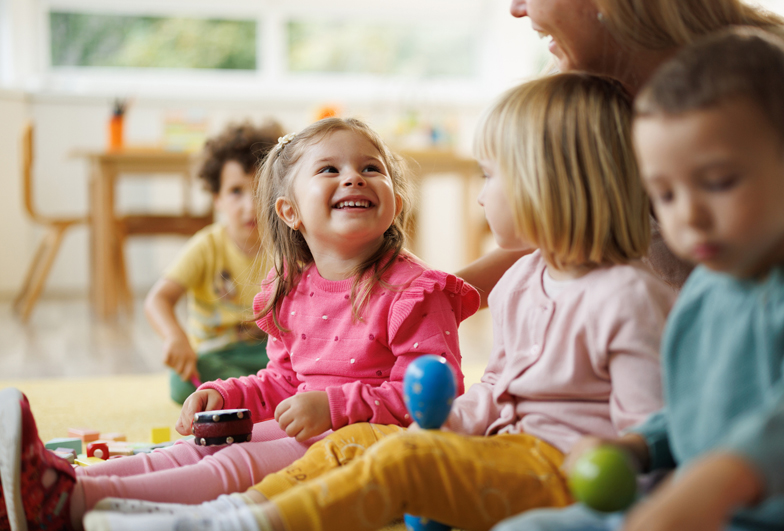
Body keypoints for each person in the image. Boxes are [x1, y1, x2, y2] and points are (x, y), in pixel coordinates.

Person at [82, 73, 675, 531]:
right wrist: (445, 429)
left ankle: (240, 520)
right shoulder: (522, 280)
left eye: (490, 176)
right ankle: (149, 501)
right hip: (502, 448)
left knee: (397, 459)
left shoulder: (629, 297)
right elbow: (494, 391)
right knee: (348, 445)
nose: (480, 196)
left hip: (562, 473)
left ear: (554, 186)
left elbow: (648, 434)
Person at [0, 117, 479, 531]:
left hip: (366, 445)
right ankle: (63, 484)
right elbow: (281, 382)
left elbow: (434, 400)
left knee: (235, 462)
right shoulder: (292, 287)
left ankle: (71, 509)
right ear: (290, 212)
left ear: (395, 201)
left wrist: (333, 407)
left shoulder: (417, 291)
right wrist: (228, 395)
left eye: (370, 167)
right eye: (330, 169)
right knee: (205, 446)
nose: (354, 177)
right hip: (310, 428)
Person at [495, 28, 784, 531]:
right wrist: (639, 445)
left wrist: (720, 478)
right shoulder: (706, 285)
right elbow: (701, 414)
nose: (690, 216)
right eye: (666, 195)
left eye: (718, 182)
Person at [458, 0, 784, 300]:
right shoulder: (578, 88)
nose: (516, 8)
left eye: (720, 181)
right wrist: (439, 293)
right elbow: (561, 225)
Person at [145, 120, 282, 405]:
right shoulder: (206, 247)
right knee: (182, 383)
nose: (250, 206)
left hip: (269, 353)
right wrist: (175, 336)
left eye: (261, 192)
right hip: (217, 357)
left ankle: (254, 393)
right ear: (216, 198)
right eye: (235, 192)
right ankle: (255, 394)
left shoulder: (288, 246)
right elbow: (157, 300)